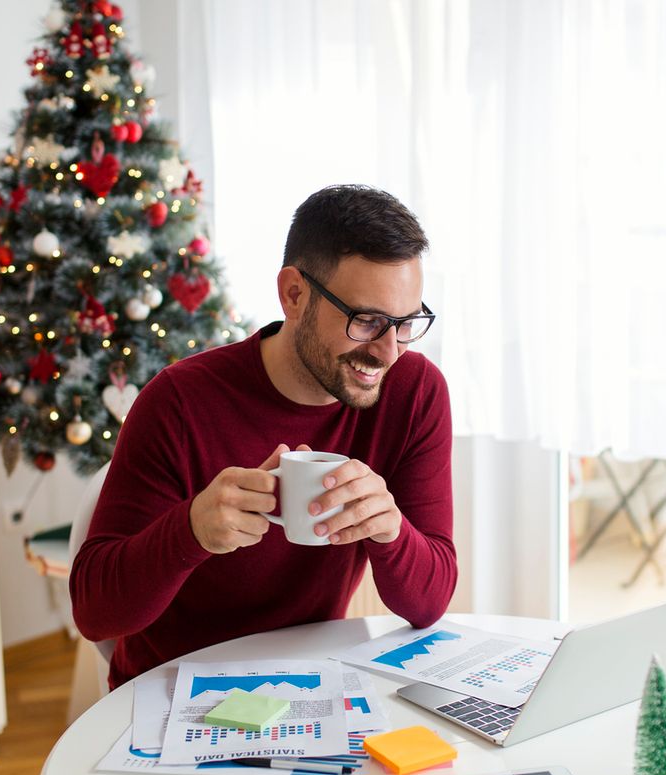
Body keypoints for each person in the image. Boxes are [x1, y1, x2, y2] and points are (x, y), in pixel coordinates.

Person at [71, 185, 456, 688]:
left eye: (406, 323)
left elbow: (428, 605)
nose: (388, 352)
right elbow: (95, 614)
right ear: (294, 294)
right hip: (170, 692)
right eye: (367, 322)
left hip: (305, 686)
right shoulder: (179, 401)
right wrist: (191, 531)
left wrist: (390, 530)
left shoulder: (414, 393)